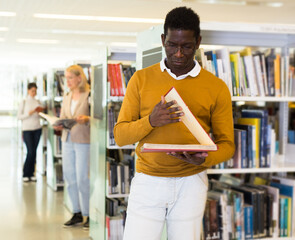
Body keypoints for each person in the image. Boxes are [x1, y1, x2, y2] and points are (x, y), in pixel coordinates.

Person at [114, 6, 235, 240]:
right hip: (148, 181)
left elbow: (227, 145)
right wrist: (150, 121)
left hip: (192, 182)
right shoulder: (140, 79)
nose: (178, 54)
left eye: (186, 46)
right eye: (172, 45)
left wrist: (205, 157)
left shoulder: (216, 87)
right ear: (163, 40)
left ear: (198, 42)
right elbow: (120, 136)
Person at [54, 65, 91, 229]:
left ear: (79, 78)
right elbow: (63, 117)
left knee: (83, 178)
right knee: (70, 177)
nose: (67, 81)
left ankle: (87, 213)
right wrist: (58, 124)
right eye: (66, 78)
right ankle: (76, 212)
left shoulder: (89, 95)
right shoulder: (67, 96)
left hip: (83, 140)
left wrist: (87, 119)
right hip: (67, 139)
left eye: (69, 77)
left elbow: (97, 118)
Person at [17, 82, 44, 183]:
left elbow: (41, 115)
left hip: (37, 129)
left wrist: (40, 112)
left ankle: (32, 173)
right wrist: (29, 113)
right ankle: (25, 173)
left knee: (34, 152)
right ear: (28, 91)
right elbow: (19, 117)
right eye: (32, 91)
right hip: (27, 129)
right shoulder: (23, 102)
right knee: (30, 151)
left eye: (35, 91)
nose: (34, 93)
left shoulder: (38, 101)